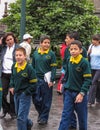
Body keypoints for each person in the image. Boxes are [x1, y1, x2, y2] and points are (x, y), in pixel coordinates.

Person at [58, 40, 92, 130]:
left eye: (75, 49)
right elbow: (67, 74)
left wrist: (82, 93)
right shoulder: (69, 59)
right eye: (71, 49)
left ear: (81, 50)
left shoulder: (84, 63)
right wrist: (63, 83)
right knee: (65, 115)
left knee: (82, 117)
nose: (73, 51)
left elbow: (88, 80)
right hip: (68, 92)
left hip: (79, 93)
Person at [9, 47, 37, 130]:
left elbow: (34, 83)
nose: (18, 57)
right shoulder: (14, 66)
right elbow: (12, 78)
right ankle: (29, 123)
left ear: (25, 56)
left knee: (21, 117)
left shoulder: (29, 68)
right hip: (16, 94)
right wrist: (11, 86)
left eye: (20, 55)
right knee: (19, 115)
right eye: (16, 55)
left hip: (25, 95)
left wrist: (26, 92)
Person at [32, 34, 57, 125]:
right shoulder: (35, 54)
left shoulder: (51, 54)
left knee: (46, 100)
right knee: (36, 99)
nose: (47, 44)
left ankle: (43, 118)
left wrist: (52, 79)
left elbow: (54, 68)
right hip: (36, 80)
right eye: (45, 42)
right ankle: (41, 113)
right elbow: (33, 66)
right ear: (40, 43)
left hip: (47, 81)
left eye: (48, 43)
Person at [0, 32, 19, 119]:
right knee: (2, 93)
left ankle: (12, 112)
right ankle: (5, 109)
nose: (9, 41)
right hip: (4, 74)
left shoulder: (18, 48)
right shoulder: (3, 48)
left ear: (14, 39)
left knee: (12, 94)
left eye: (10, 39)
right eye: (7, 40)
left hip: (13, 74)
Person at [88, 34, 100, 106]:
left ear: (99, 41)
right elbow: (88, 56)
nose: (93, 41)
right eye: (92, 40)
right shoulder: (91, 46)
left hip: (99, 68)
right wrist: (88, 52)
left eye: (95, 40)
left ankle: (90, 100)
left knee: (93, 82)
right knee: (96, 83)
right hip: (91, 67)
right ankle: (98, 98)